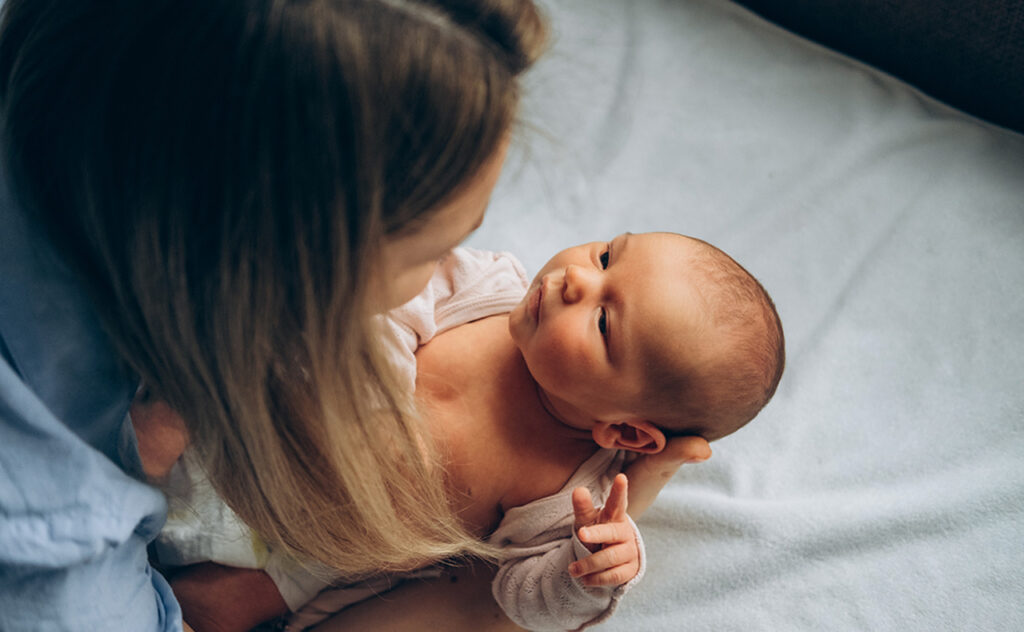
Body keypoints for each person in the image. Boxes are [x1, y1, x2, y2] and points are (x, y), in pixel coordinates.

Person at [0, 1, 547, 630]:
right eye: (431, 252)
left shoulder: (70, 49)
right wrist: (485, 593)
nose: (458, 264)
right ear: (275, 280)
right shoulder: (60, 570)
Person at [145, 232, 785, 631]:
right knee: (177, 401)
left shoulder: (572, 495)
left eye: (603, 322)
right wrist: (377, 403)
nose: (576, 280)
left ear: (629, 431)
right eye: (607, 255)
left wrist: (580, 574)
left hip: (301, 553)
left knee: (220, 609)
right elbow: (381, 300)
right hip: (267, 429)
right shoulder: (488, 288)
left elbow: (517, 599)